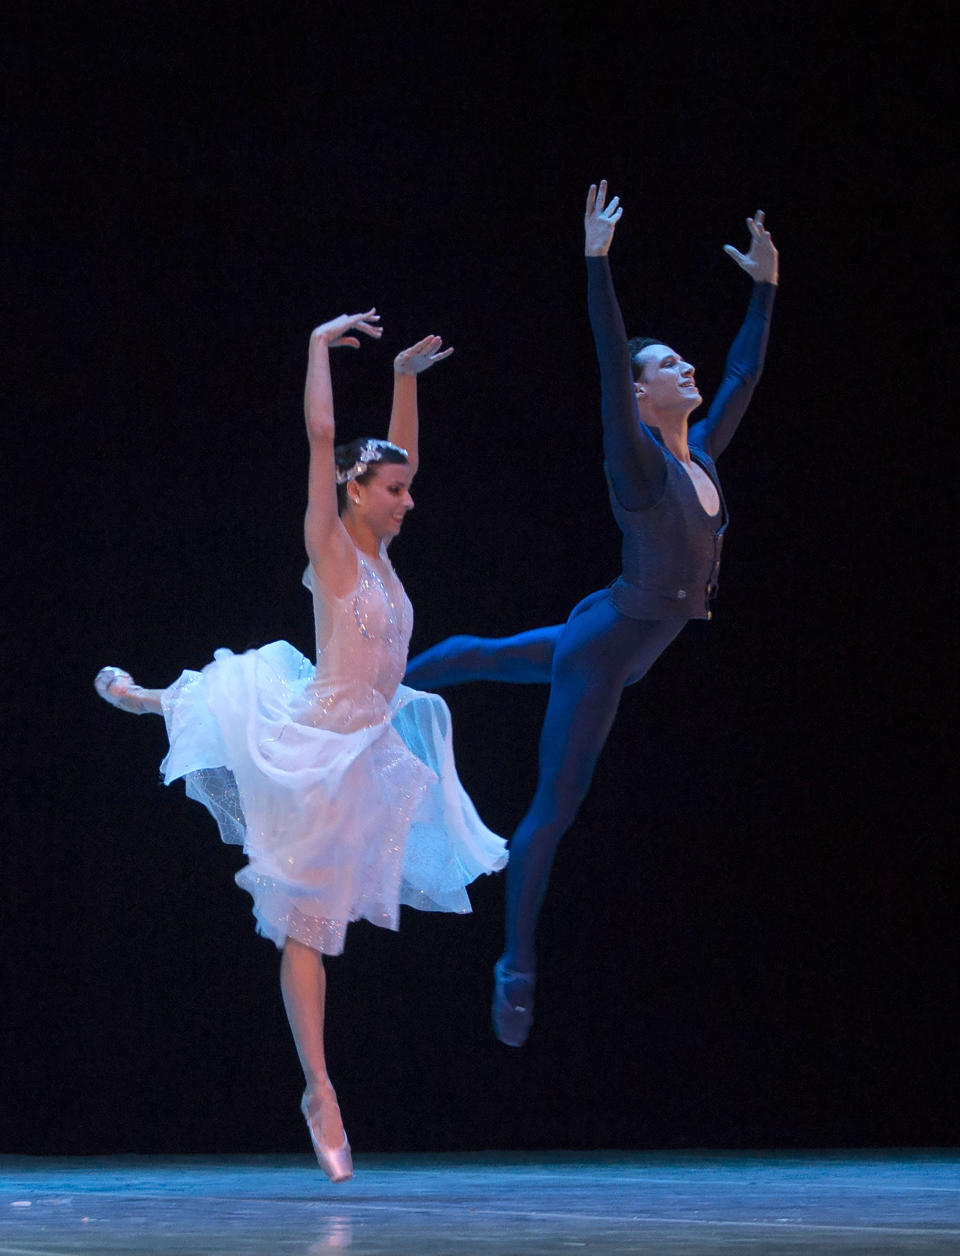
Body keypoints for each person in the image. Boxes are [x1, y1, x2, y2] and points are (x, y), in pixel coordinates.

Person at [94, 311, 507, 1180]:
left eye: (407, 489)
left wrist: (403, 377)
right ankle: (321, 1090)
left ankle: (150, 695)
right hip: (315, 750)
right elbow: (323, 434)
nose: (407, 498)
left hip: (370, 747)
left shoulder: (388, 558)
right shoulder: (333, 549)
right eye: (391, 490)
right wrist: (319, 347)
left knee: (317, 916)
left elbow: (405, 456)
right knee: (306, 929)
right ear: (355, 490)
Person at [404, 182, 778, 1047]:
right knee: (554, 808)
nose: (686, 371)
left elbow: (742, 370)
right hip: (607, 650)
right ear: (642, 397)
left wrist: (766, 287)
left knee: (493, 654)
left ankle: (387, 674)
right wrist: (596, 264)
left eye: (685, 364)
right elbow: (612, 362)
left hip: (620, 633)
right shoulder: (638, 462)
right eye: (667, 367)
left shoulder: (702, 452)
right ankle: (516, 965)